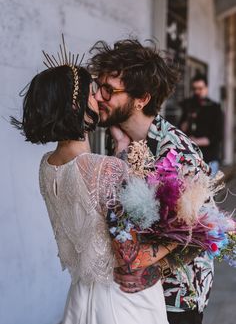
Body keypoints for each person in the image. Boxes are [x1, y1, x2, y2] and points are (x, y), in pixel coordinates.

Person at [11, 41, 178, 324]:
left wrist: (122, 148)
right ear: (76, 105)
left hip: (80, 295)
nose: (99, 98)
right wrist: (188, 232)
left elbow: (93, 204)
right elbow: (130, 252)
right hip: (122, 301)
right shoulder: (105, 169)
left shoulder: (46, 166)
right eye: (93, 93)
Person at [89, 39, 214, 324]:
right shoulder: (120, 141)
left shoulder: (177, 152)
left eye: (109, 90)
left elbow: (205, 230)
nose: (99, 97)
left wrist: (160, 269)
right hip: (132, 299)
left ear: (141, 98)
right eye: (99, 86)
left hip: (176, 299)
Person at [179, 73, 223, 176]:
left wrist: (195, 141)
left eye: (200, 88)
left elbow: (217, 136)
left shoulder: (215, 108)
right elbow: (181, 127)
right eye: (194, 89)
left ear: (206, 88)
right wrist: (189, 116)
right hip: (191, 158)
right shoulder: (190, 105)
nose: (197, 92)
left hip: (209, 158)